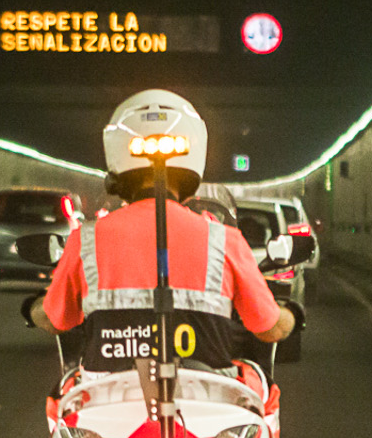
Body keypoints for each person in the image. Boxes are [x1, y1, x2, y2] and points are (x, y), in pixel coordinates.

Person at [29, 89, 295, 367]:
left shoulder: (86, 239)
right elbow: (270, 328)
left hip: (107, 399)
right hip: (208, 400)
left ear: (116, 171)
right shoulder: (224, 240)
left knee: (66, 397)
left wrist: (34, 307)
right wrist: (290, 314)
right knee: (258, 388)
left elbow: (55, 320)